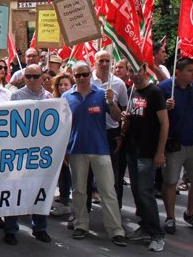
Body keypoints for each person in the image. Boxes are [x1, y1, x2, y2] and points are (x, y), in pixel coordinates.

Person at [62, 61, 127, 247]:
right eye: (77, 75)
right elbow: (62, 125)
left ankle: (116, 229)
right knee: (79, 191)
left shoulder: (102, 94)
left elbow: (116, 117)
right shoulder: (66, 97)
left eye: (85, 74)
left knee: (108, 191)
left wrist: (111, 102)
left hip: (100, 149)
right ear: (72, 76)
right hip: (76, 150)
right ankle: (81, 224)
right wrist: (64, 149)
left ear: (90, 74)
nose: (82, 78)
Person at [157, 57, 193, 234]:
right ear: (177, 72)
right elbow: (152, 114)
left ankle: (190, 213)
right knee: (171, 181)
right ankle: (170, 217)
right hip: (174, 143)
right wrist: (164, 106)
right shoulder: (164, 88)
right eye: (190, 71)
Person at [121, 63, 168, 252]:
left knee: (145, 192)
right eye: (131, 71)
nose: (134, 74)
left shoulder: (155, 92)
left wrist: (160, 152)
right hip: (132, 150)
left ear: (144, 70)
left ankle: (157, 234)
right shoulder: (131, 90)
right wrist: (126, 119)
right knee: (137, 191)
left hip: (148, 152)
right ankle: (146, 227)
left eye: (137, 70)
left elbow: (164, 124)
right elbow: (131, 120)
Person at [4, 64, 52, 245]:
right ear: (24, 78)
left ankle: (40, 228)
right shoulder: (16, 96)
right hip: (19, 152)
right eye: (28, 76)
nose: (32, 80)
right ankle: (10, 229)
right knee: (14, 190)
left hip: (40, 153)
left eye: (35, 76)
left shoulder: (49, 98)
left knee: (40, 189)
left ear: (42, 77)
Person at [92, 50, 129, 208]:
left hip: (110, 134)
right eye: (101, 61)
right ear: (95, 62)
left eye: (107, 61)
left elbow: (125, 112)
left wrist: (122, 134)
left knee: (113, 176)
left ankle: (115, 211)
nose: (105, 64)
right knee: (86, 176)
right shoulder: (87, 80)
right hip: (91, 132)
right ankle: (82, 213)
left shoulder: (118, 84)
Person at [50, 72, 74, 218]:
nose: (63, 87)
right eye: (60, 85)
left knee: (68, 173)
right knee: (59, 174)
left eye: (66, 84)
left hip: (70, 142)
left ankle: (66, 203)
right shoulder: (53, 101)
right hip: (57, 143)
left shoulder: (74, 100)